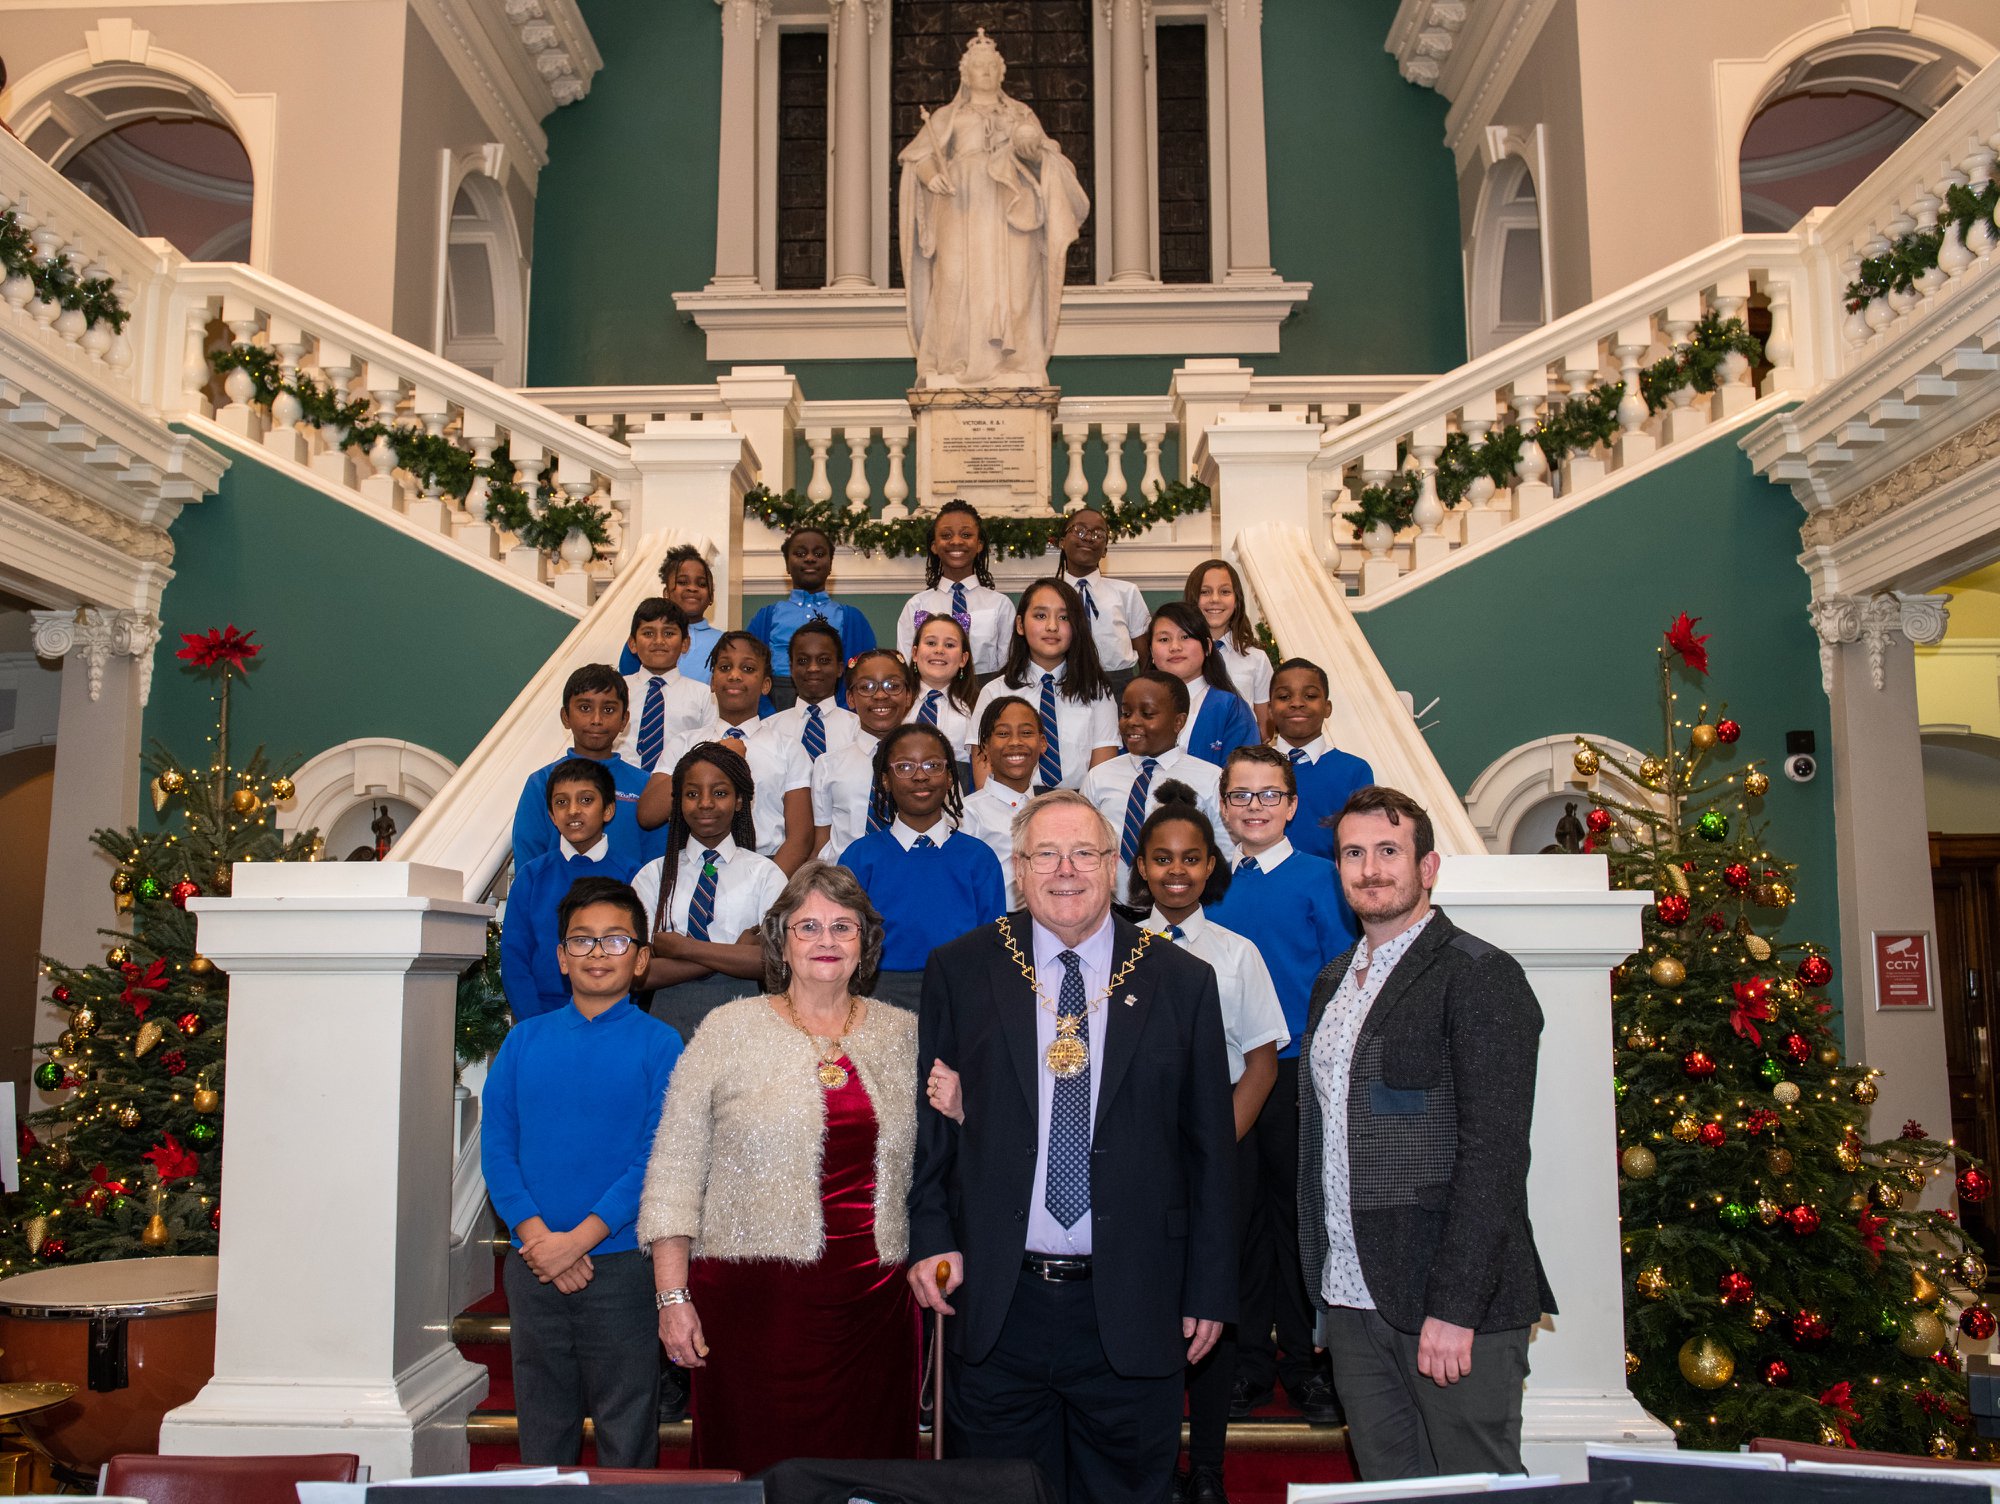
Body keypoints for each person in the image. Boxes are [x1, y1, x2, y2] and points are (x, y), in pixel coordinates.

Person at [907, 790, 1236, 1504]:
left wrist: (1210, 1285)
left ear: (1115, 866)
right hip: (999, 1300)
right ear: (1018, 870)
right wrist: (930, 1237)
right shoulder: (962, 969)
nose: (1065, 870)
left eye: (1084, 853)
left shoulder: (1182, 981)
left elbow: (1210, 1150)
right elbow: (931, 1129)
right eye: (1044, 855)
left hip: (1135, 1302)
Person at [640, 862, 920, 1477]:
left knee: (869, 1475)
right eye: (809, 926)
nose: (826, 941)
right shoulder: (727, 1030)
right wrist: (672, 1296)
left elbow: (937, 1171)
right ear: (782, 941)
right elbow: (674, 1172)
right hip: (751, 1312)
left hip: (874, 1310)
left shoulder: (904, 1036)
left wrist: (958, 1106)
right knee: (757, 1471)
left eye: (843, 927)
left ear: (865, 944)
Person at [1305, 785, 1552, 1479]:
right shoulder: (1332, 982)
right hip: (1353, 1297)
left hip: (1446, 1303)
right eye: (1353, 854)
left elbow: (1495, 1154)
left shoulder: (1478, 974)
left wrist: (1455, 1306)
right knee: (1390, 1495)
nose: (1370, 868)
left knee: (1475, 1492)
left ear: (1429, 867)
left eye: (1389, 851)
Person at [483, 876, 682, 1468]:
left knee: (627, 1423)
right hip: (534, 1263)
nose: (599, 954)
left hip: (620, 1265)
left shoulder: (661, 1044)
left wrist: (579, 1240)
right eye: (583, 941)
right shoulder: (523, 1042)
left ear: (641, 959)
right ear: (561, 958)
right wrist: (539, 1237)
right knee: (543, 1424)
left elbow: (654, 1157)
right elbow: (498, 1150)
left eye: (616, 941)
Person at [1129, 788, 1285, 1504]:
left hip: (1223, 1150)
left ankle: (1213, 1471)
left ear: (1211, 865)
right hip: (1136, 1162)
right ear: (1141, 868)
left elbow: (1259, 1061)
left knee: (1213, 1306)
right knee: (1150, 1310)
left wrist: (1213, 1149)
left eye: (1191, 858)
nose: (1177, 872)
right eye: (1162, 859)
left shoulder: (1236, 953)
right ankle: (1155, 1466)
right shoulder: (1117, 949)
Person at [1207, 745, 1357, 1427]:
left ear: (1293, 806)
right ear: (1223, 805)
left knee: (1296, 1220)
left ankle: (1303, 1364)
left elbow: (1339, 982)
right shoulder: (1212, 883)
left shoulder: (1322, 880)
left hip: (1296, 1072)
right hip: (1223, 1075)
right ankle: (1245, 1365)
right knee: (1236, 1221)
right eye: (1241, 795)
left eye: (1270, 795)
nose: (1255, 807)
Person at [897, 28, 1088, 390]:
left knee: (1016, 283)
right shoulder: (946, 116)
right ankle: (952, 360)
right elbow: (917, 156)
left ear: (1001, 73)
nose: (984, 73)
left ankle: (1015, 362)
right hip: (961, 203)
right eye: (977, 67)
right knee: (953, 276)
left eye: (990, 67)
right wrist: (931, 174)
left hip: (1010, 206)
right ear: (965, 75)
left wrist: (1031, 151)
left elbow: (1047, 155)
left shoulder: (1020, 114)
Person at [840, 724, 1005, 1012]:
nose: (920, 776)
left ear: (950, 777)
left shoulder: (979, 858)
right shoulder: (859, 857)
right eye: (904, 766)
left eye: (933, 765)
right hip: (877, 992)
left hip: (961, 991)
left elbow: (993, 945)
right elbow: (844, 938)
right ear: (886, 780)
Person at [632, 741, 787, 1043]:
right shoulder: (653, 876)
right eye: (692, 794)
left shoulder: (765, 874)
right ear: (678, 801)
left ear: (740, 800)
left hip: (747, 1029)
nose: (705, 803)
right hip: (667, 1026)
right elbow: (639, 974)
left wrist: (681, 948)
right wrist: (734, 953)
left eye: (720, 793)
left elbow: (773, 963)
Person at [640, 632, 813, 874]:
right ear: (712, 681)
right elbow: (648, 814)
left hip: (767, 866)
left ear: (765, 685)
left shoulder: (788, 748)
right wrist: (716, 754)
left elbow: (800, 838)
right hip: (694, 866)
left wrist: (769, 888)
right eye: (724, 667)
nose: (734, 675)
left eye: (748, 668)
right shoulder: (684, 743)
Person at [501, 759, 642, 1020]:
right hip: (541, 1016)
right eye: (561, 802)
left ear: (608, 809)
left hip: (614, 1018)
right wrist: (534, 1024)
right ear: (552, 816)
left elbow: (636, 957)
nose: (573, 810)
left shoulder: (633, 876)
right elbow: (514, 958)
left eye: (586, 800)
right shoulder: (531, 877)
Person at [1079, 670, 1234, 902]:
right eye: (1126, 713)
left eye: (1148, 714)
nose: (1132, 721)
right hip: (1111, 909)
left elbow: (1225, 851)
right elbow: (1083, 844)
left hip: (1181, 906)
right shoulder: (1099, 777)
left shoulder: (1210, 778)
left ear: (1178, 722)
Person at [512, 664, 666, 871]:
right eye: (585, 708)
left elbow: (657, 865)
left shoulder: (646, 786)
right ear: (566, 717)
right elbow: (528, 859)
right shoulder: (541, 782)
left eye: (608, 710)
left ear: (624, 720)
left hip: (628, 900)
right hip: (557, 902)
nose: (596, 720)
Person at [970, 578, 1118, 793]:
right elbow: (984, 775)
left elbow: (1103, 775)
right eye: (1040, 616)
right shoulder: (994, 692)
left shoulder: (1096, 692)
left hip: (1077, 806)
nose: (1052, 626)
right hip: (1009, 807)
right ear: (1020, 625)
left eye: (1064, 617)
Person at [746, 526, 878, 708]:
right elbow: (749, 672)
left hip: (836, 707)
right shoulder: (766, 617)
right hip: (776, 705)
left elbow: (867, 674)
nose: (809, 558)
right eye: (800, 554)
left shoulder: (852, 618)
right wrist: (767, 714)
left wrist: (844, 714)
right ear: (787, 565)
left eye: (818, 554)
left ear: (830, 565)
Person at [1267, 658, 1374, 867]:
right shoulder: (1249, 768)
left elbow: (1362, 841)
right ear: (1270, 709)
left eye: (1310, 696)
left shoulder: (1354, 771)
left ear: (1327, 708)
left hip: (1329, 887)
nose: (1297, 703)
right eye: (1284, 696)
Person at [812, 648, 917, 859]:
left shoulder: (928, 765)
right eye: (867, 687)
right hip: (845, 882)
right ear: (850, 698)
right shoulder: (828, 765)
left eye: (893, 686)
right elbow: (822, 844)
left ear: (908, 696)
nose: (880, 695)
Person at [896, 501, 1017, 678]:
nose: (956, 541)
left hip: (985, 695)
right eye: (946, 535)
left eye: (966, 535)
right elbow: (907, 668)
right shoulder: (916, 605)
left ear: (979, 545)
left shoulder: (1000, 605)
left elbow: (1008, 667)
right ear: (934, 546)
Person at [1144, 602, 1259, 769]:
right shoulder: (1136, 707)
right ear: (1151, 652)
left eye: (1185, 637)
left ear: (1208, 647)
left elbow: (1245, 777)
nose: (1175, 647)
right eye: (1164, 639)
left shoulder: (1231, 709)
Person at [958, 695, 1046, 908]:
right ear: (985, 747)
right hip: (994, 924)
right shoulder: (967, 814)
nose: (1015, 742)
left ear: (1042, 743)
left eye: (1026, 733)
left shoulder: (1053, 809)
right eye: (1003, 734)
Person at [1054, 507, 1147, 697]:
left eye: (1098, 534)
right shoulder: (1049, 595)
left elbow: (1145, 655)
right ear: (1063, 542)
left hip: (1118, 686)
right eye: (1079, 530)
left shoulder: (1127, 593)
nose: (1088, 538)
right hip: (1062, 683)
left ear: (1105, 550)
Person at [616, 599, 711, 773]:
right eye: (648, 633)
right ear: (633, 644)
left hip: (678, 786)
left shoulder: (703, 694)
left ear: (685, 644)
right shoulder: (617, 689)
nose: (659, 641)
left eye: (668, 633)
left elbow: (711, 747)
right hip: (621, 787)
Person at [1188, 560, 1271, 742]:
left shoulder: (1256, 659)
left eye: (1225, 591)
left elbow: (1264, 728)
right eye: (1205, 592)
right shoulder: (1180, 656)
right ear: (1192, 598)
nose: (1215, 599)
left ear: (1237, 599)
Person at [760, 619, 860, 762]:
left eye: (824, 660)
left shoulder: (857, 729)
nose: (813, 668)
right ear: (791, 668)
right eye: (802, 661)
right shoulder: (768, 729)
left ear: (839, 668)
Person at [620, 545, 722, 684]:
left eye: (702, 584)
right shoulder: (645, 637)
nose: (692, 588)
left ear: (711, 596)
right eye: (682, 582)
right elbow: (628, 686)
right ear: (666, 593)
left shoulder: (723, 641)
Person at [906, 610, 978, 777]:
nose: (939, 650)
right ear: (915, 653)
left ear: (963, 659)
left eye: (950, 645)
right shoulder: (897, 702)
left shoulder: (976, 707)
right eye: (931, 643)